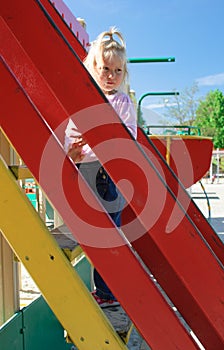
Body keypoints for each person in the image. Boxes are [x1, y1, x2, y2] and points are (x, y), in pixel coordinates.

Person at [64, 27, 137, 308]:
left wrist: (100, 142)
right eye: (105, 68)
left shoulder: (122, 101)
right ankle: (107, 288)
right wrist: (72, 151)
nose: (111, 76)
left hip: (109, 174)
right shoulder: (85, 99)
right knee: (93, 232)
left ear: (124, 74)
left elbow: (127, 136)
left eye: (118, 71)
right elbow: (72, 133)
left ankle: (109, 291)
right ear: (92, 68)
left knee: (110, 234)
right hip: (87, 172)